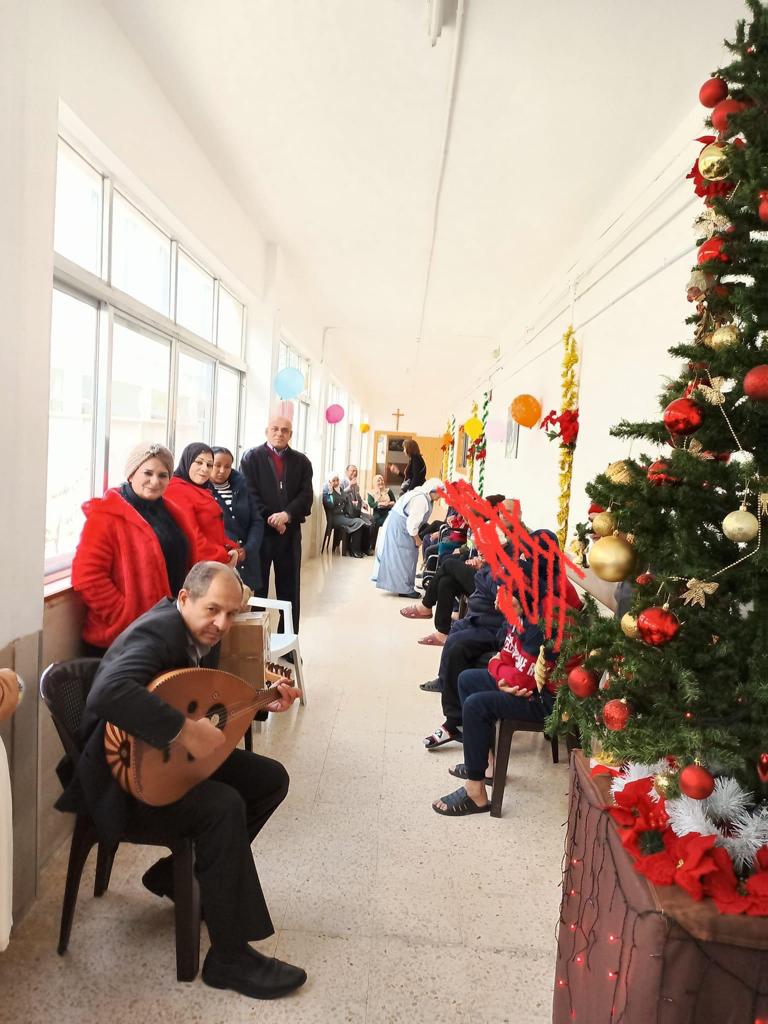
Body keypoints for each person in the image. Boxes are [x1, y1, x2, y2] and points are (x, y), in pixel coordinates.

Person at [54, 563, 307, 999]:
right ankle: (229, 959)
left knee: (269, 779)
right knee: (222, 806)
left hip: (161, 755)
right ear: (185, 599)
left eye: (230, 614)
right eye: (213, 610)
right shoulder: (157, 635)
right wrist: (184, 731)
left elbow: (197, 697)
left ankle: (176, 877)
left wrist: (261, 703)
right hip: (123, 780)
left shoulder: (199, 635)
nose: (221, 623)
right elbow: (108, 692)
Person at [431, 532, 582, 816]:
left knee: (477, 704)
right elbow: (507, 652)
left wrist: (504, 672)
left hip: (549, 698)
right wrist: (501, 670)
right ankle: (484, 764)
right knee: (467, 679)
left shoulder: (545, 618)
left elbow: (526, 679)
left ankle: (475, 792)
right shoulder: (526, 604)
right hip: (527, 680)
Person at [71, 443, 202, 657]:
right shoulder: (105, 516)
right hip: (124, 639)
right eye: (148, 473)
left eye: (163, 475)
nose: (155, 481)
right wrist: (126, 616)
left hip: (166, 630)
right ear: (131, 474)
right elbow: (87, 576)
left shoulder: (171, 512)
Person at [240, 416, 313, 630]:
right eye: (275, 429)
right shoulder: (251, 458)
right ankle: (256, 640)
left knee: (290, 590)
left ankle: (289, 638)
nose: (279, 433)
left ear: (291, 434)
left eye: (284, 430)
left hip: (289, 533)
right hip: (260, 534)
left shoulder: (302, 462)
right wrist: (272, 518)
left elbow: (306, 495)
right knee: (258, 589)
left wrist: (287, 515)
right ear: (267, 431)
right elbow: (249, 493)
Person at [166, 444, 240, 567]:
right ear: (187, 461)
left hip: (212, 562)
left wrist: (232, 547)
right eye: (199, 462)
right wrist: (224, 557)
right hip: (197, 567)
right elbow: (193, 537)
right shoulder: (176, 490)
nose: (205, 469)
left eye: (209, 465)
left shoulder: (200, 488)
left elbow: (213, 531)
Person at [373, 478, 443, 598]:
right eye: (440, 494)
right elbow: (412, 524)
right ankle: (404, 589)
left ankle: (403, 586)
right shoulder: (421, 500)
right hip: (401, 526)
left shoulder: (422, 494)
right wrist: (417, 540)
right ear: (433, 491)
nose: (440, 497)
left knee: (403, 556)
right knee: (406, 555)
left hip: (401, 524)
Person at [210, 446, 264, 591]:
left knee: (246, 600)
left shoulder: (241, 486)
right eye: (217, 465)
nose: (222, 471)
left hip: (247, 560)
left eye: (227, 466)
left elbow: (257, 521)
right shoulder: (203, 491)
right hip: (220, 562)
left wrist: (248, 549)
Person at [322, 472, 367, 557]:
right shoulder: (326, 493)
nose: (336, 482)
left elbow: (345, 499)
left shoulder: (340, 490)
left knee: (361, 521)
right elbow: (331, 505)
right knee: (358, 522)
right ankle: (354, 551)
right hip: (334, 518)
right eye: (333, 481)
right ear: (329, 482)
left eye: (337, 480)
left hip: (343, 516)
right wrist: (330, 493)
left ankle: (354, 549)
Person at [367, 474, 396, 552]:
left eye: (382, 480)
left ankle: (390, 547)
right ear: (374, 482)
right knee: (374, 523)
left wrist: (388, 504)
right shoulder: (371, 493)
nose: (381, 482)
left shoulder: (388, 491)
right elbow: (371, 504)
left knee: (392, 523)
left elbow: (394, 502)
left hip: (388, 513)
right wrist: (380, 503)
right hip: (378, 514)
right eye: (378, 481)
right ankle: (371, 546)